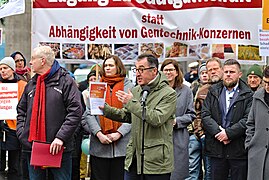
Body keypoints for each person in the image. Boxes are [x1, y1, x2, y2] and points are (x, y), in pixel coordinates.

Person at [100, 54, 176, 180]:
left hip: (156, 161)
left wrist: (131, 102)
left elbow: (157, 119)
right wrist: (105, 109)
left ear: (154, 71)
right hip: (134, 158)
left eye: (141, 69)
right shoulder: (136, 90)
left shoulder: (168, 93)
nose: (138, 74)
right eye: (136, 70)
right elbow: (128, 115)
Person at [16, 46, 83, 180]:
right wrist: (22, 134)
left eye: (33, 59)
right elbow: (21, 111)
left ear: (42, 61)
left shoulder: (65, 81)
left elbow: (75, 111)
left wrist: (60, 138)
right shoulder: (31, 84)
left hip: (59, 149)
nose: (30, 62)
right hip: (33, 148)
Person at [83, 55, 133, 180]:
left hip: (122, 147)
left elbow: (133, 114)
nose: (107, 68)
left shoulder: (130, 87)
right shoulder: (96, 86)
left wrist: (119, 133)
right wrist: (98, 134)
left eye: (111, 65)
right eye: (105, 66)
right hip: (99, 146)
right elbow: (89, 113)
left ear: (118, 67)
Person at [202, 59, 253, 180]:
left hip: (238, 150)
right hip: (216, 148)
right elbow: (205, 115)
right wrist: (219, 133)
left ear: (240, 74)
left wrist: (228, 134)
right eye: (226, 72)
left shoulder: (248, 94)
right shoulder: (213, 91)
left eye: (232, 72)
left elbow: (248, 119)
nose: (228, 74)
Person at [160, 59, 196, 180]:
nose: (168, 72)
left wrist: (177, 121)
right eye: (165, 70)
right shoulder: (156, 90)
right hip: (159, 137)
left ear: (177, 72)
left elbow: (191, 114)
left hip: (178, 136)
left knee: (177, 174)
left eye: (171, 70)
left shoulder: (186, 91)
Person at [0, 57, 27, 179]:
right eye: (0, 69)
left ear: (12, 69)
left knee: (15, 164)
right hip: (1, 128)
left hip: (14, 129)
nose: (2, 71)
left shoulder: (22, 85)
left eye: (5, 68)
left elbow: (25, 106)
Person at [245, 66, 269, 180]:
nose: (267, 86)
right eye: (265, 82)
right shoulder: (258, 96)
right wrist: (250, 144)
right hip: (257, 153)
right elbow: (250, 123)